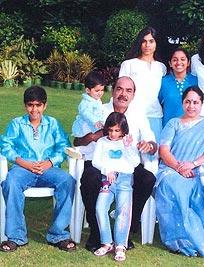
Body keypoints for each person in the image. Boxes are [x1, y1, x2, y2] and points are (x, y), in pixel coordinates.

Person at [74, 76, 157, 252]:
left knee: (147, 179)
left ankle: (126, 231)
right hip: (99, 164)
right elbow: (77, 141)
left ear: (133, 95)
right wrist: (93, 136)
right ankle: (97, 233)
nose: (123, 94)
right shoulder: (98, 110)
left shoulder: (138, 115)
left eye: (129, 91)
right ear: (113, 91)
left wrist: (148, 145)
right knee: (90, 178)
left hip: (127, 165)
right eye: (119, 89)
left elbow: (152, 143)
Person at [155, 86, 204, 257]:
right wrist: (179, 167)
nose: (191, 106)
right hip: (172, 169)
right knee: (170, 186)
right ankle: (178, 240)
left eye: (195, 102)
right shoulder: (173, 123)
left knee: (203, 189)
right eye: (188, 102)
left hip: (199, 170)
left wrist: (193, 164)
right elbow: (164, 150)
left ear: (202, 104)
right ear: (182, 103)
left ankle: (198, 239)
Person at [0, 86, 76, 252]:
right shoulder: (16, 124)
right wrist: (24, 163)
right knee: (10, 182)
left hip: (47, 169)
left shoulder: (53, 124)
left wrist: (50, 162)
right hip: (23, 168)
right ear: (25, 106)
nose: (34, 109)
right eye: (30, 105)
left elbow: (63, 145)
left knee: (67, 181)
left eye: (38, 105)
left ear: (45, 105)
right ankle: (16, 237)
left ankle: (58, 234)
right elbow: (5, 146)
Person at [92, 112, 140, 262]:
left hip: (125, 181)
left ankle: (120, 245)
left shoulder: (128, 142)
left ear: (123, 130)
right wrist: (107, 170)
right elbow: (95, 161)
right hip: (107, 181)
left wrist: (128, 147)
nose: (113, 134)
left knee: (123, 212)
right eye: (111, 130)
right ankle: (106, 242)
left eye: (117, 130)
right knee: (100, 208)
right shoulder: (102, 142)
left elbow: (135, 163)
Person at [119, 26, 167, 141]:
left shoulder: (161, 67)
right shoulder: (128, 64)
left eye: (151, 41)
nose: (147, 45)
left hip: (155, 115)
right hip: (132, 114)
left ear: (156, 44)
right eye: (144, 41)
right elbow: (120, 91)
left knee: (152, 154)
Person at [69, 71, 106, 157]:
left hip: (93, 125)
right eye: (97, 90)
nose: (100, 93)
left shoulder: (96, 100)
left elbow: (100, 112)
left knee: (92, 143)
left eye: (102, 90)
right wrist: (95, 121)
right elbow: (85, 112)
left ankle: (81, 152)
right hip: (85, 125)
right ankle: (76, 150)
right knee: (88, 139)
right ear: (88, 90)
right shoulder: (86, 102)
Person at [158, 47, 198, 127]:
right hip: (169, 127)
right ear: (170, 63)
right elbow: (157, 102)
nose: (179, 62)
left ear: (188, 62)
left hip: (190, 128)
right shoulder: (163, 81)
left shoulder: (195, 81)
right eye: (175, 60)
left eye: (182, 59)